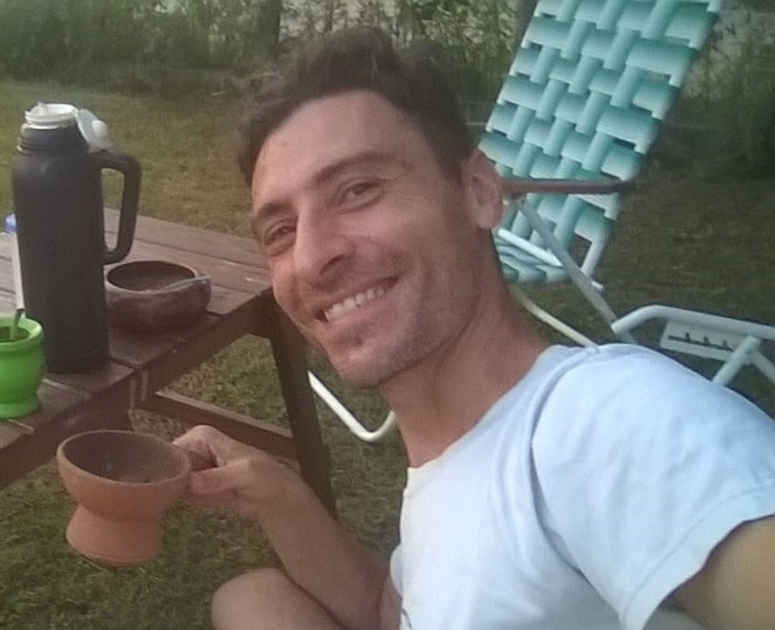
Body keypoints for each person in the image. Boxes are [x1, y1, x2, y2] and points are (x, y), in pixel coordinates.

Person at [173, 27, 775, 630]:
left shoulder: (600, 423)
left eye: (357, 190)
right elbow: (399, 615)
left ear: (480, 192)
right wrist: (277, 493)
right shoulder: (453, 464)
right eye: (281, 230)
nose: (309, 259)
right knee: (249, 596)